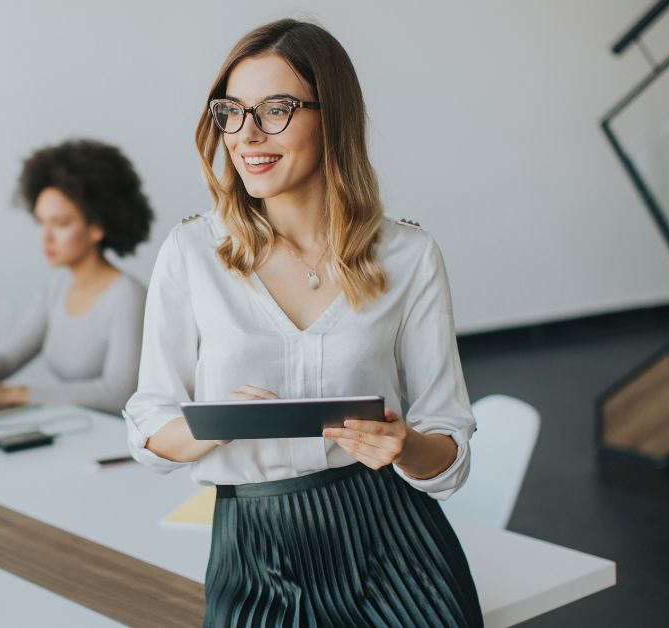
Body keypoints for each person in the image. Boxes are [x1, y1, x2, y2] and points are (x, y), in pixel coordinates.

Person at [124, 20, 482, 627]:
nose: (247, 135)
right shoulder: (191, 253)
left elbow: (447, 453)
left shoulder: (409, 256)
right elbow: (150, 424)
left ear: (332, 118)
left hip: (393, 542)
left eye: (276, 109)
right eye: (231, 112)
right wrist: (220, 424)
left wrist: (404, 444)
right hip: (252, 547)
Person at [0, 139, 153, 414]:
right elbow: (7, 358)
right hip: (76, 428)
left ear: (97, 226)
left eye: (60, 223)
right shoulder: (56, 288)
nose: (45, 237)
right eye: (41, 222)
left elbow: (119, 392)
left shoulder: (127, 296)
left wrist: (13, 394)